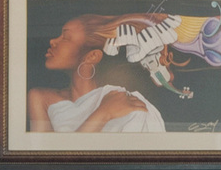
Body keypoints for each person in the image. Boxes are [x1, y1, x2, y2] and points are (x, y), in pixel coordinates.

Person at [28, 13, 168, 135]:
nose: (52, 41)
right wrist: (102, 114)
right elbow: (44, 159)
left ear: (92, 57)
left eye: (66, 38)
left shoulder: (124, 101)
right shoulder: (40, 98)